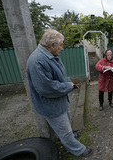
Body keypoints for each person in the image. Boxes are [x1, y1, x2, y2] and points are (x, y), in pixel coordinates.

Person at [26, 29, 92, 157]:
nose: (62, 48)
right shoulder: (37, 61)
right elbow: (47, 88)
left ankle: (70, 136)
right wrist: (68, 86)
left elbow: (61, 74)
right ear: (52, 45)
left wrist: (68, 81)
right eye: (61, 44)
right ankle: (78, 150)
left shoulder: (51, 55)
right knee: (64, 131)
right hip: (51, 105)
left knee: (66, 123)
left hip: (59, 101)